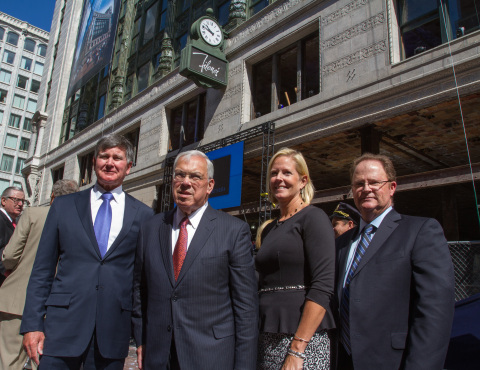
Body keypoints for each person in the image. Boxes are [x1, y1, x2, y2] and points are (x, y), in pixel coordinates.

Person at [21, 134, 154, 369]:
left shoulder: (143, 215)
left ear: (129, 167)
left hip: (112, 331)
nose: (110, 163)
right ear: (94, 162)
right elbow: (42, 269)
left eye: (117, 158)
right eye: (104, 156)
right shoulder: (64, 206)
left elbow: (141, 282)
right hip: (61, 330)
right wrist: (32, 324)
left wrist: (143, 338)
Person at [133, 150, 258, 369]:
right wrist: (141, 338)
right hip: (158, 355)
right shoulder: (150, 228)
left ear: (210, 186)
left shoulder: (233, 231)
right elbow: (139, 289)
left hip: (210, 357)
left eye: (195, 177)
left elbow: (246, 308)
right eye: (179, 175)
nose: (185, 183)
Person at [336, 153, 455, 370]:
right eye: (359, 184)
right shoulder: (342, 243)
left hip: (393, 362)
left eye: (374, 182)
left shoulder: (420, 231)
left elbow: (434, 312)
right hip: (343, 361)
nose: (366, 188)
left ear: (392, 187)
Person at [256, 147, 336, 370]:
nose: (278, 178)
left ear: (303, 180)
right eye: (273, 173)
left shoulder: (314, 218)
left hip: (302, 340)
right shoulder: (268, 229)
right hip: (267, 336)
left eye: (286, 172)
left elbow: (323, 286)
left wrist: (297, 349)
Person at [0, 179, 79, 370]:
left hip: (17, 299)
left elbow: (9, 255)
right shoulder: (78, 222)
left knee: (9, 360)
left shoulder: (34, 214)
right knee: (41, 360)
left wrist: (11, 267)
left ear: (52, 196)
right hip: (54, 304)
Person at [0, 187, 25, 286]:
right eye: (16, 200)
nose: (20, 204)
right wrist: (7, 272)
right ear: (3, 201)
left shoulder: (16, 222)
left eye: (23, 201)